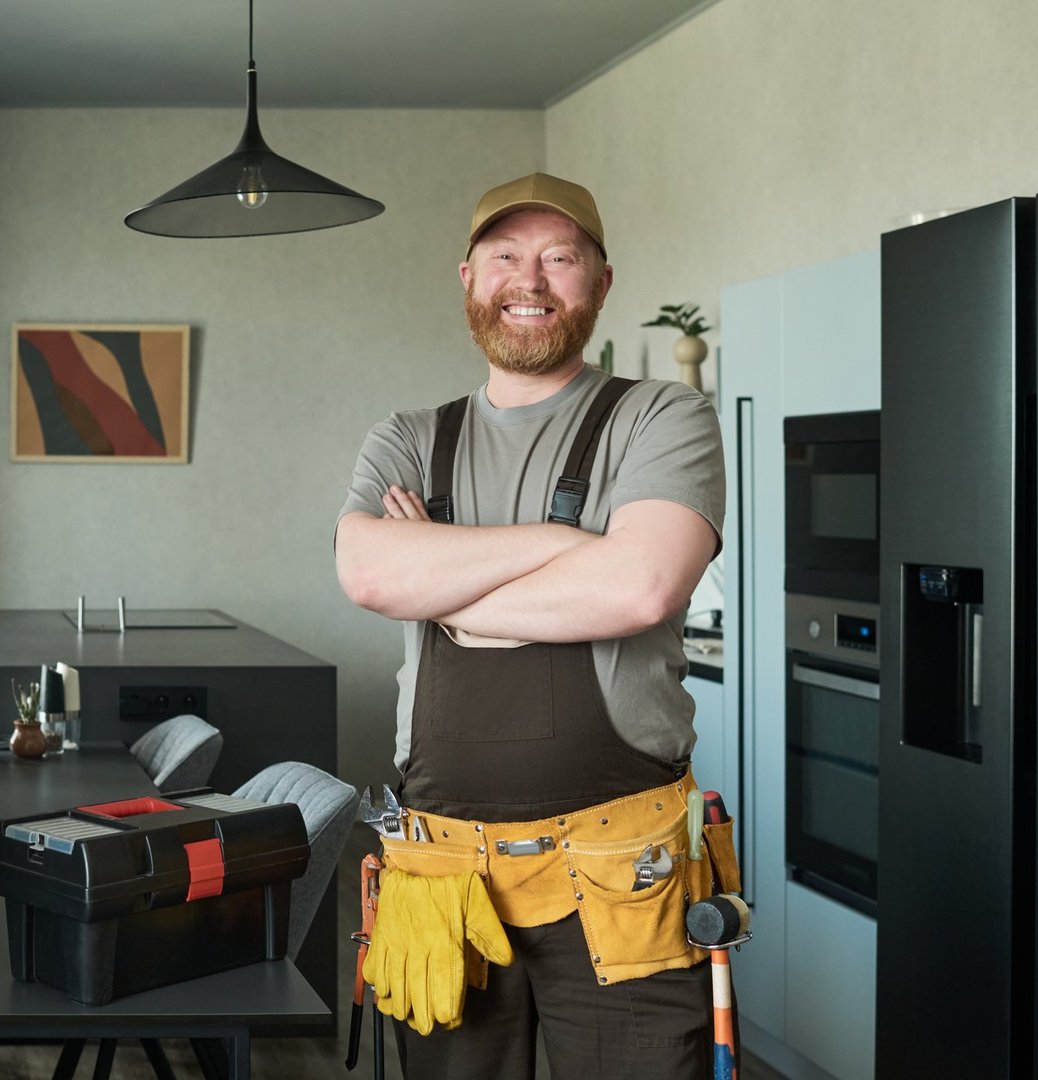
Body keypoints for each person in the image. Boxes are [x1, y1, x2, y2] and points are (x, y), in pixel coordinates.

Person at [334, 173, 729, 1079]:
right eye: (507, 257)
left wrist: (438, 576)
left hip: (624, 878)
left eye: (560, 258)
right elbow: (367, 572)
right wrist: (566, 550)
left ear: (601, 280)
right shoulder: (405, 437)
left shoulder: (662, 416)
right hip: (441, 879)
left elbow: (639, 588)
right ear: (468, 277)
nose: (531, 280)